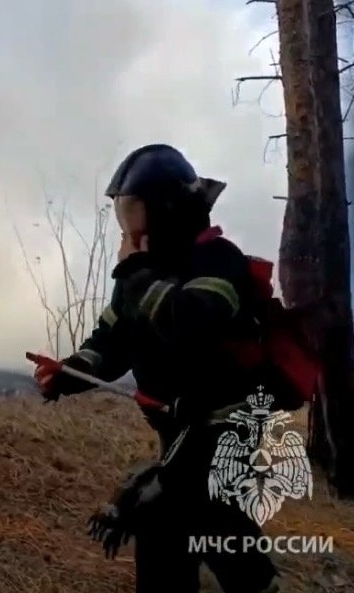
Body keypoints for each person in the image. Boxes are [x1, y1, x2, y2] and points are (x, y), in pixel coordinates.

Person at [32, 144, 281, 593]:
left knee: (187, 507)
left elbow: (189, 322)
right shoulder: (142, 274)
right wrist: (68, 373)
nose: (128, 227)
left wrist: (137, 274)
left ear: (167, 210)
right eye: (124, 213)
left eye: (136, 212)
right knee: (186, 522)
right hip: (178, 424)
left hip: (223, 425)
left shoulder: (218, 260)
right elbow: (111, 342)